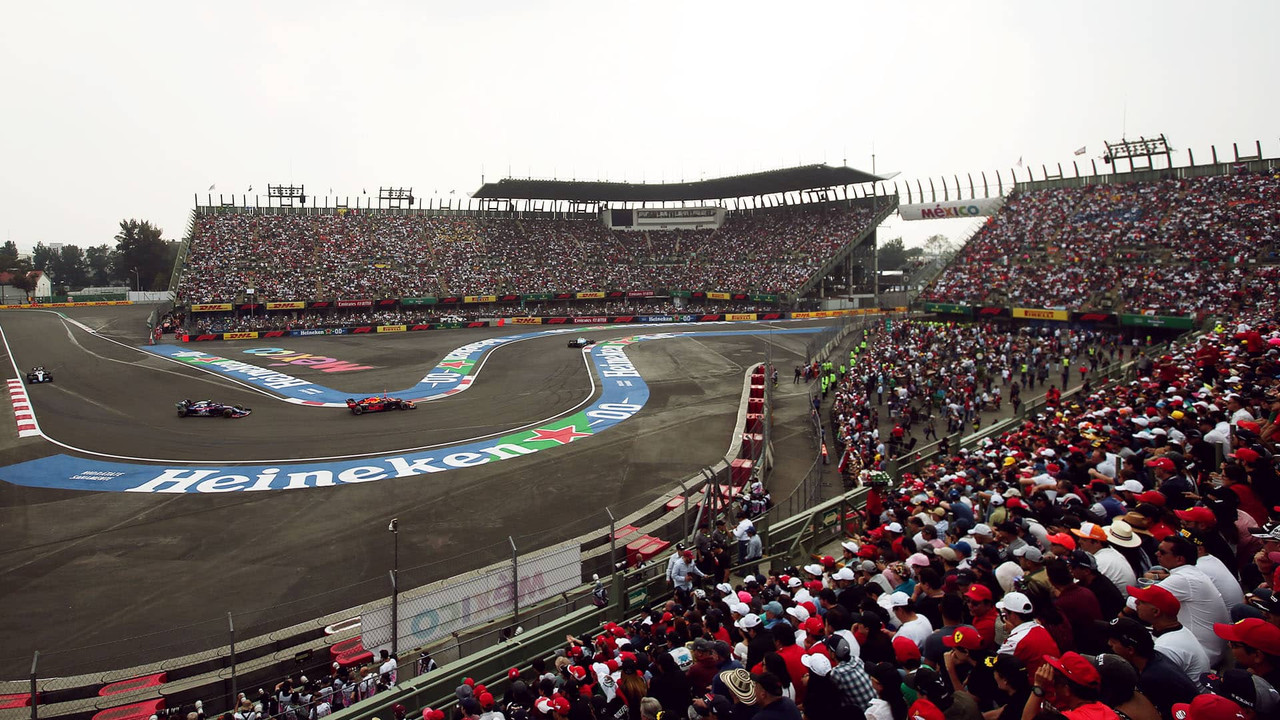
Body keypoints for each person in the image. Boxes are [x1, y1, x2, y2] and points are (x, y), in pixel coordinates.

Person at [1025, 652, 1119, 720]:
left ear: (1066, 689)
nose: (1053, 683)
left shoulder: (1070, 718)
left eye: (1056, 680)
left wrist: (1038, 686)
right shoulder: (1107, 711)